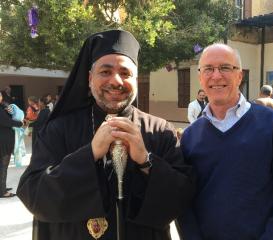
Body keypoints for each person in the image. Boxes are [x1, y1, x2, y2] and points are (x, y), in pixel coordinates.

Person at [17, 29, 195, 240]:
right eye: (105, 72)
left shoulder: (161, 131)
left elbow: (180, 200)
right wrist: (90, 153)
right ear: (90, 78)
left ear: (136, 78)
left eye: (126, 73)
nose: (116, 81)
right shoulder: (59, 129)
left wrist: (146, 162)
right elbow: (35, 196)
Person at [178, 43, 273, 239]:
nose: (216, 76)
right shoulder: (190, 137)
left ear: (240, 75)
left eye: (225, 68)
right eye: (208, 69)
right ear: (200, 77)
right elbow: (185, 205)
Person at [0, 92, 23, 198]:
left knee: (3, 166)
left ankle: (2, 187)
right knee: (3, 166)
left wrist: (7, 111)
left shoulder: (2, 108)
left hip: (4, 140)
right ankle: (2, 192)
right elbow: (7, 122)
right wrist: (21, 123)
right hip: (3, 141)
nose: (1, 97)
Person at [6, 103, 26, 167]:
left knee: (17, 147)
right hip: (18, 129)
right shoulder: (19, 112)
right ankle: (18, 160)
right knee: (18, 145)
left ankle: (18, 162)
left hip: (15, 130)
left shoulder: (12, 109)